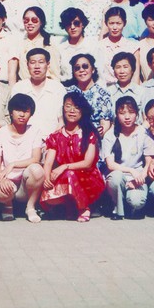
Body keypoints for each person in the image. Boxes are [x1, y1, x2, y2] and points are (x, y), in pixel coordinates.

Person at [40, 91, 106, 221]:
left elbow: (87, 163)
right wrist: (46, 178)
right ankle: (71, 206)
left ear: (82, 111)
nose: (72, 111)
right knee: (48, 198)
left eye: (76, 107)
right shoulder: (56, 136)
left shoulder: (89, 134)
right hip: (65, 177)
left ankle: (83, 208)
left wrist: (65, 166)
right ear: (63, 109)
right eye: (68, 106)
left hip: (88, 179)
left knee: (70, 174)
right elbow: (48, 162)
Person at [0, 93, 46, 222]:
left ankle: (30, 207)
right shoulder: (0, 134)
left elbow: (35, 158)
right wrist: (2, 179)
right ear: (11, 112)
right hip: (7, 181)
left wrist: (13, 164)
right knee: (1, 192)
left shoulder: (35, 131)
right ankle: (7, 206)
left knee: (37, 170)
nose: (22, 115)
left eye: (26, 111)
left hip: (26, 184)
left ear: (31, 114)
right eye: (18, 110)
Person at [102, 96, 154, 220]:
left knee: (137, 202)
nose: (127, 117)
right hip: (118, 175)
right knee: (116, 178)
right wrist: (131, 171)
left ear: (137, 114)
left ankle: (130, 204)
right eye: (122, 113)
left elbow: (149, 161)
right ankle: (117, 208)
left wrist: (140, 177)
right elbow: (110, 164)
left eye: (131, 112)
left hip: (137, 177)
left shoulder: (143, 132)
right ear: (116, 114)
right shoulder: (110, 135)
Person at [11, 48, 65, 131]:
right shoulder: (19, 88)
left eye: (41, 62)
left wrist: (55, 136)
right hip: (25, 136)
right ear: (27, 65)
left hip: (52, 135)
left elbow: (62, 119)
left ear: (48, 64)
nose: (37, 66)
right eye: (32, 62)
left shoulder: (58, 88)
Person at [67, 53, 114, 135]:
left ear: (93, 70)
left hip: (94, 136)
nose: (81, 70)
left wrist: (92, 138)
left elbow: (105, 124)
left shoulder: (103, 94)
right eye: (77, 68)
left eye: (85, 66)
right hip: (71, 135)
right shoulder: (68, 92)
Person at [97, 6, 141, 86]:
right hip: (105, 89)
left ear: (124, 23)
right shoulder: (99, 46)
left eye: (118, 23)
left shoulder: (133, 47)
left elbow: (136, 75)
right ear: (106, 23)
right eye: (111, 23)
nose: (115, 27)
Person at [55, 7, 99, 82]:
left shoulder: (93, 46)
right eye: (68, 24)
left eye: (76, 23)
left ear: (83, 24)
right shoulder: (60, 47)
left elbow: (100, 74)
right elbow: (57, 74)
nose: (72, 27)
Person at [16, 6, 58, 82]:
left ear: (41, 22)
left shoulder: (48, 43)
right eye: (26, 20)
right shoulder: (19, 43)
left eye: (34, 20)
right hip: (24, 85)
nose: (30, 23)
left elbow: (55, 74)